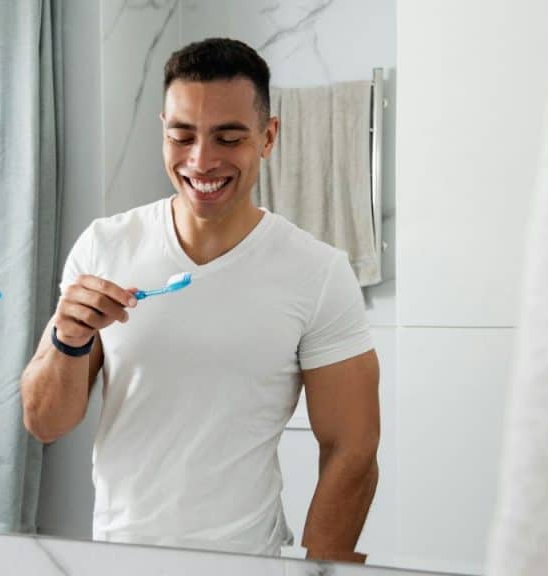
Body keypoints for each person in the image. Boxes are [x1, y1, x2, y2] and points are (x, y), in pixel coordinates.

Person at [21, 38, 380, 562]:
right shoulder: (105, 246)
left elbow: (353, 449)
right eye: (181, 136)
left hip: (246, 561)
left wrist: (318, 572)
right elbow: (45, 423)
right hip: (118, 558)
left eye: (228, 138)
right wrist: (67, 340)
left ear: (268, 136)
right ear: (163, 131)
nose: (201, 160)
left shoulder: (317, 272)